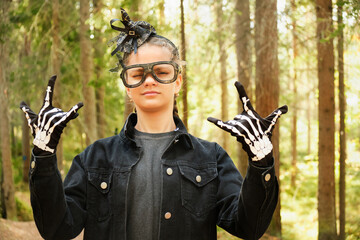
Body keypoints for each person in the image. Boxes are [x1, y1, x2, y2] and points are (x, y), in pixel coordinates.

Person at [20, 8, 287, 240]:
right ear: (127, 86)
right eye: (137, 74)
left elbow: (248, 227)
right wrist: (43, 155)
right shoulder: (95, 158)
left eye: (161, 72)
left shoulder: (211, 158)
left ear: (178, 82)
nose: (149, 81)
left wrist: (261, 161)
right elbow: (56, 229)